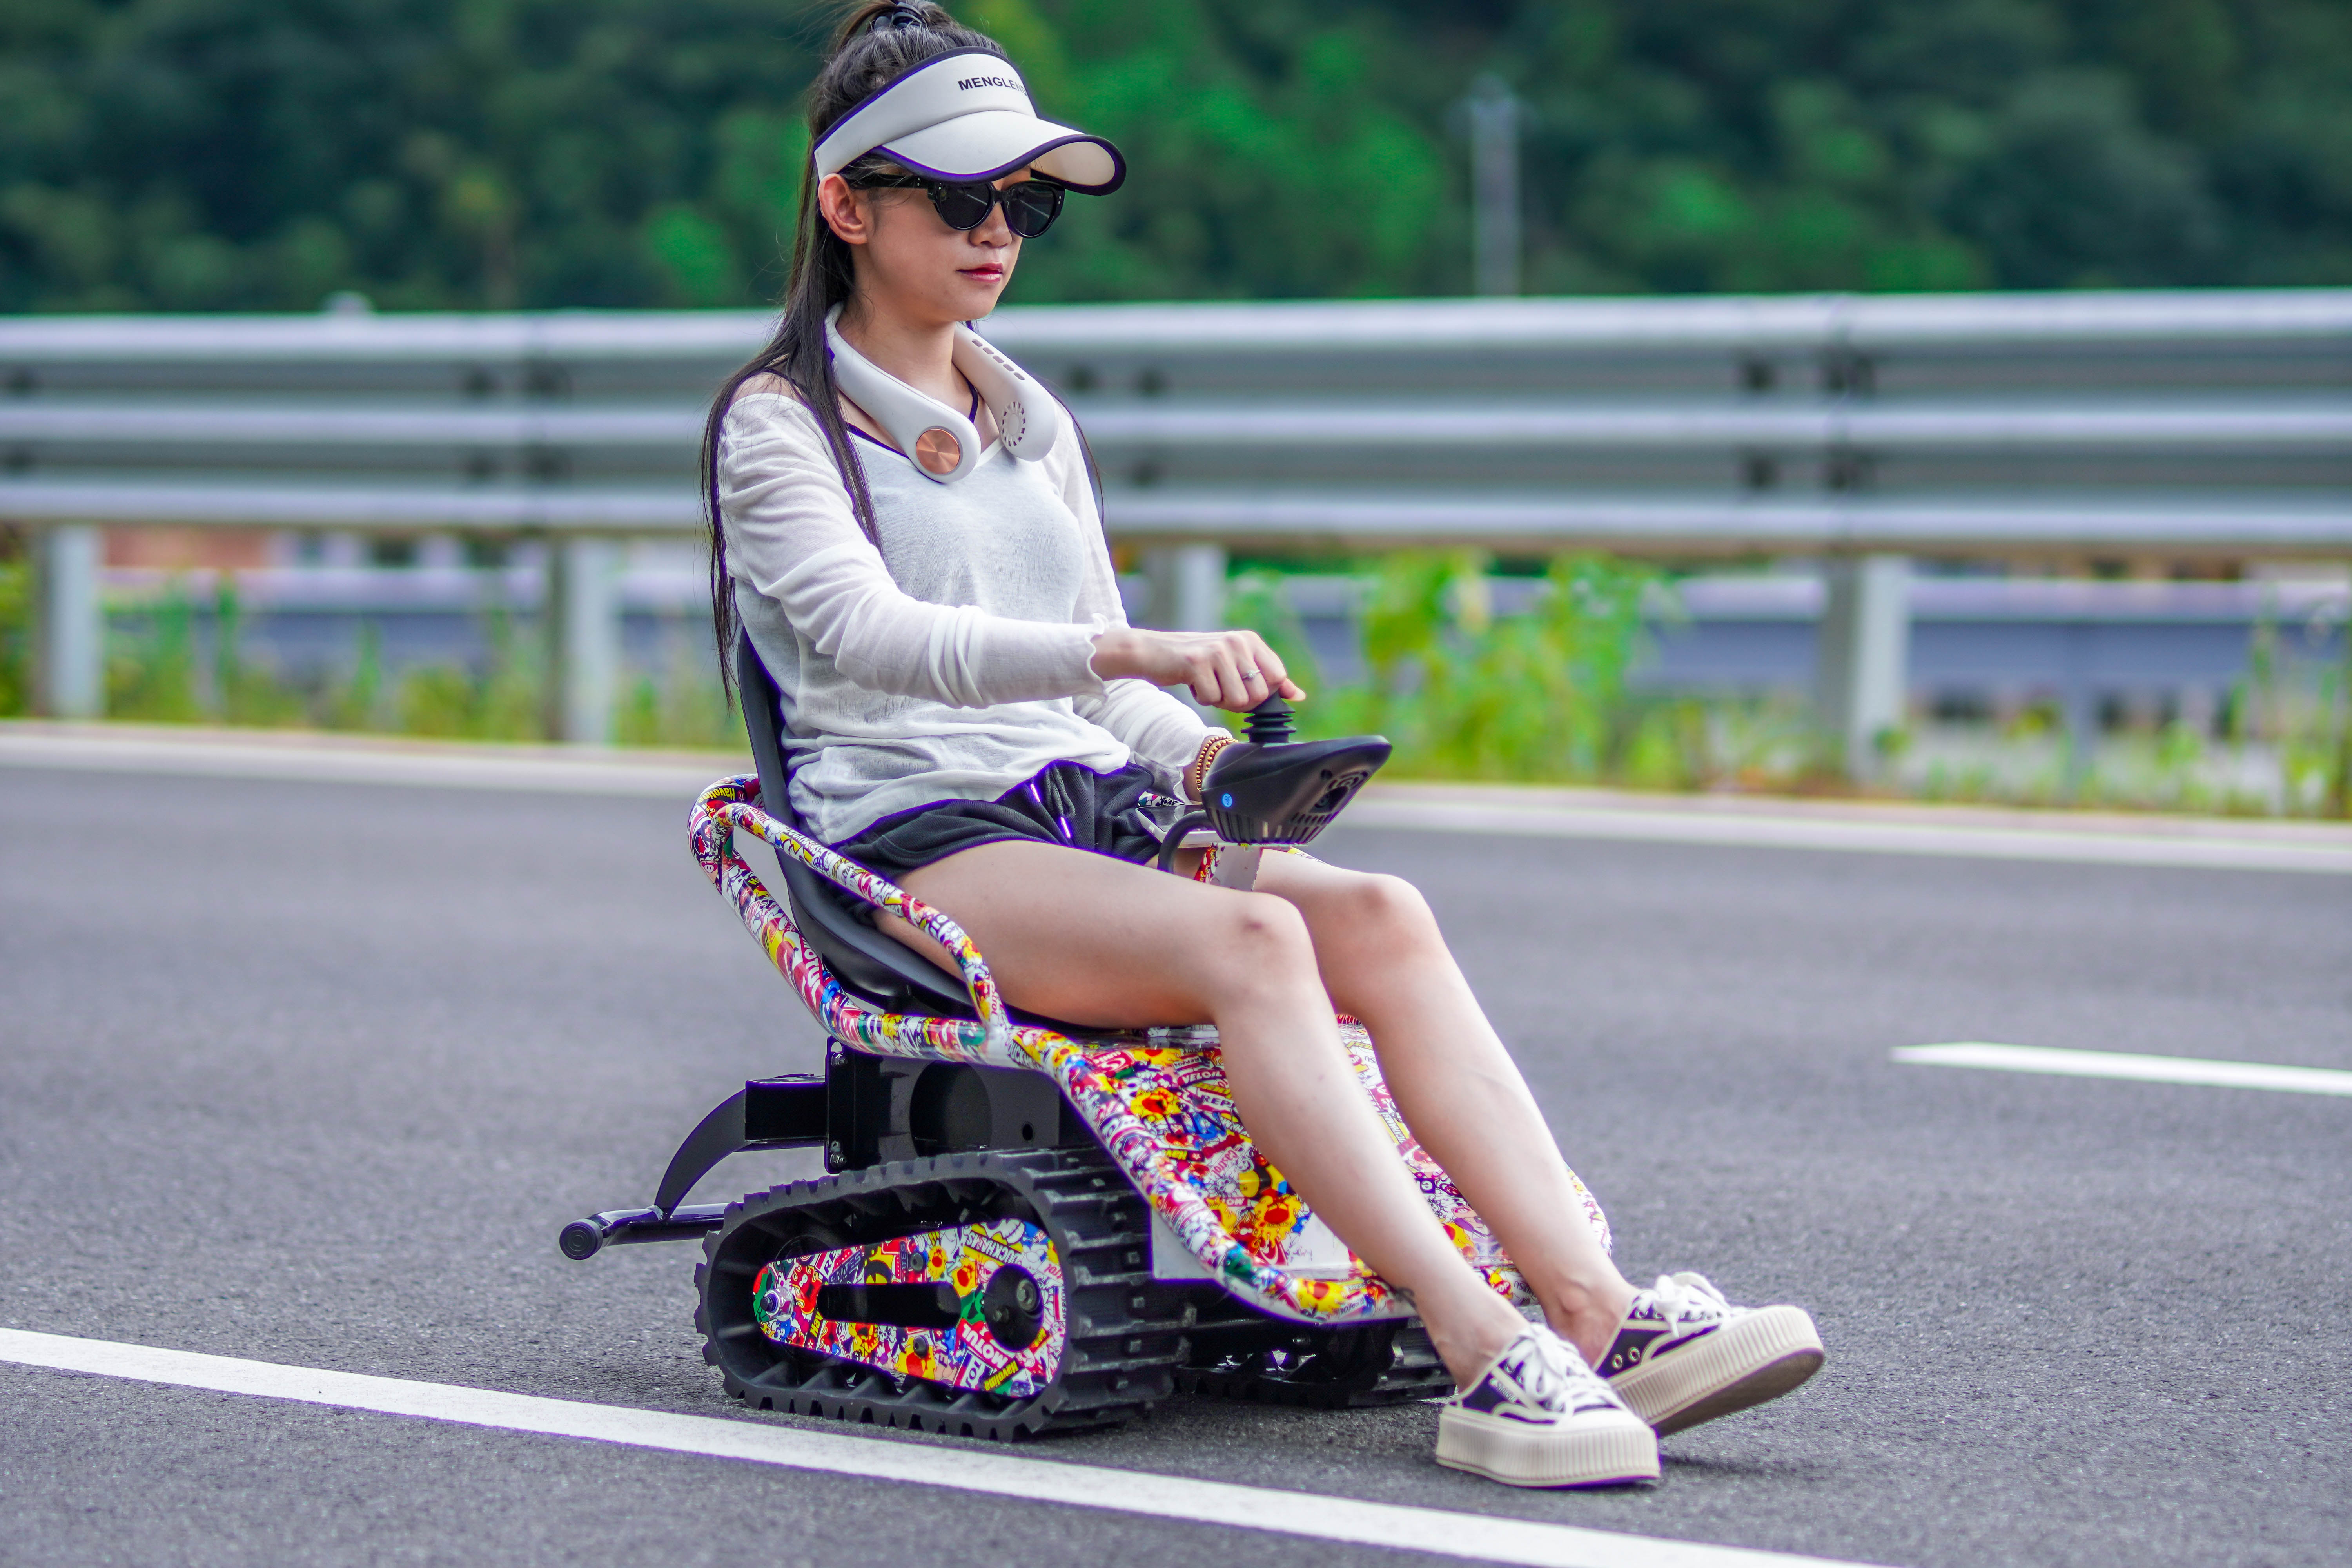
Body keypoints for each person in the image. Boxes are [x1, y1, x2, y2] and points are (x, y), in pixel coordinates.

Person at [703, 0, 1823, 1490]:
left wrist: (1209, 764)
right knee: (1255, 951)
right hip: (923, 843)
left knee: (1374, 912)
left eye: (1025, 201)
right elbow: (877, 638)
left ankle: (1600, 1311)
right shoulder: (779, 425)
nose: (1000, 232)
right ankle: (1486, 1347)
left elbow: (1100, 709)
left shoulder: (1032, 423)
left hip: (1074, 814)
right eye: (962, 198)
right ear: (847, 204)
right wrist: (1134, 648)